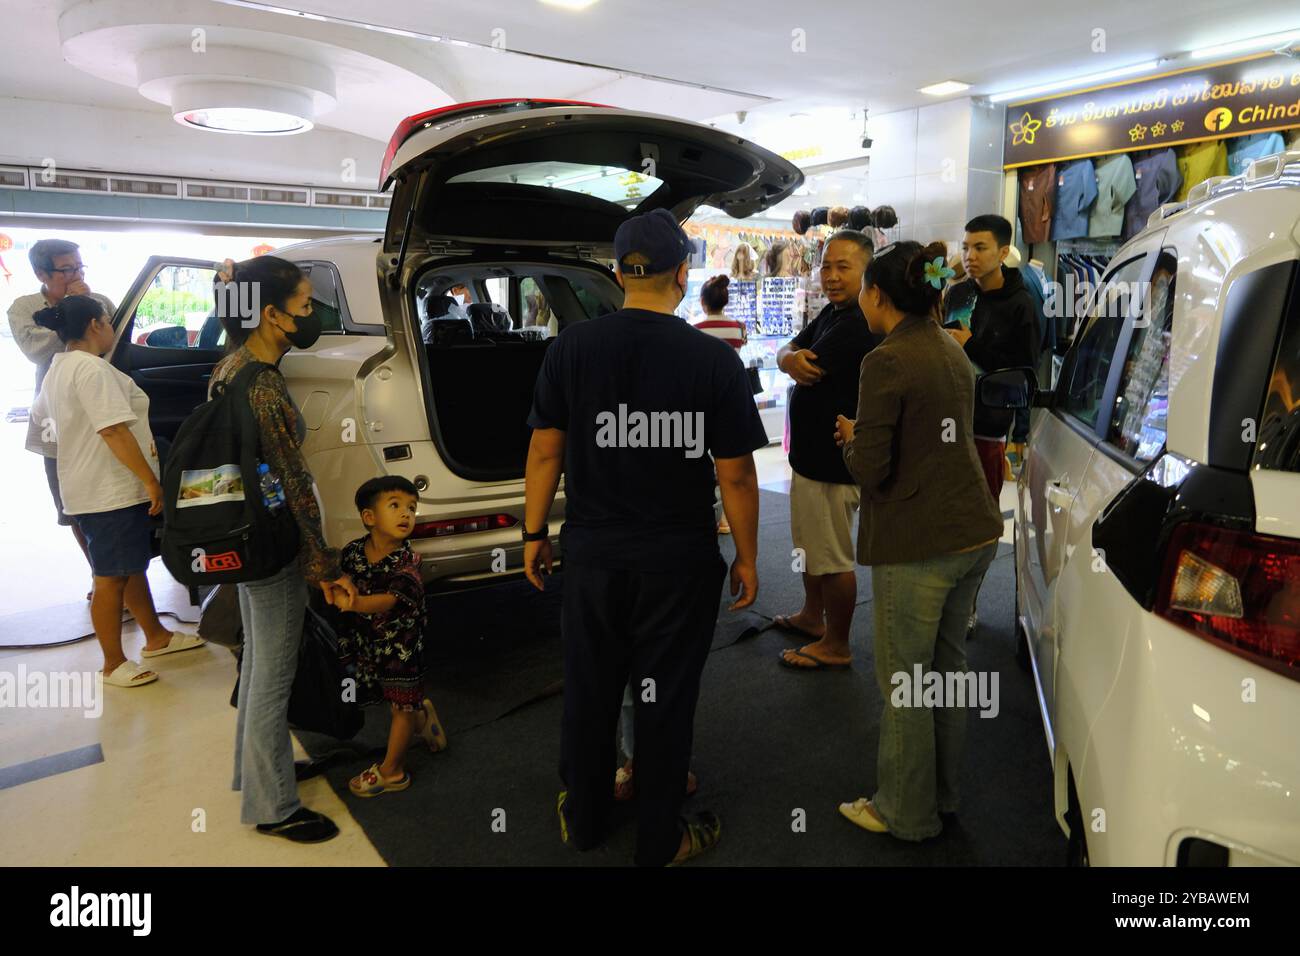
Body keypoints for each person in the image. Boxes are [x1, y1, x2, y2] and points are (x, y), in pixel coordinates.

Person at [523, 207, 766, 866]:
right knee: (664, 695)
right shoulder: (711, 360)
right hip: (677, 559)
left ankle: (587, 815)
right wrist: (746, 555)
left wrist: (531, 535)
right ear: (684, 272)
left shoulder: (571, 348)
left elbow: (545, 451)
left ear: (618, 271)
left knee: (591, 687)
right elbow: (737, 475)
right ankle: (663, 838)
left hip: (593, 554)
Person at [833, 240, 1003, 841]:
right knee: (946, 673)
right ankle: (942, 796)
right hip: (972, 531)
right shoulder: (948, 346)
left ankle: (904, 812)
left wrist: (851, 438)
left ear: (877, 295)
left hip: (919, 542)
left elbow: (872, 468)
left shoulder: (887, 359)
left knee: (906, 682)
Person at [210, 255, 357, 844]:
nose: (312, 314)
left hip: (243, 537)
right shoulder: (264, 384)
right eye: (303, 305)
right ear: (270, 314)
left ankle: (254, 774)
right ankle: (272, 807)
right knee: (273, 673)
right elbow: (292, 483)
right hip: (273, 545)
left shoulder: (230, 365)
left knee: (259, 666)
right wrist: (320, 563)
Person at [29, 296, 205, 686]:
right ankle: (112, 663)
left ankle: (156, 637)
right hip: (108, 491)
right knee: (110, 577)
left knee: (129, 567)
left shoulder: (57, 369)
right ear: (95, 325)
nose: (110, 327)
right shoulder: (91, 370)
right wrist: (149, 479)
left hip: (88, 486)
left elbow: (46, 438)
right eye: (108, 321)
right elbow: (113, 430)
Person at [772, 230, 880, 670]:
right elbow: (791, 352)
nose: (831, 276)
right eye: (827, 266)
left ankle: (836, 643)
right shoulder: (835, 313)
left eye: (843, 267)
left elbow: (806, 367)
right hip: (811, 458)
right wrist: (785, 357)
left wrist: (791, 359)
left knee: (832, 554)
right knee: (812, 546)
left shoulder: (856, 323)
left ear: (866, 271)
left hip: (833, 463)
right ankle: (812, 617)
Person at [943, 215, 1039, 636]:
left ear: (1003, 252)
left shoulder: (1022, 304)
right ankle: (943, 599)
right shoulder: (957, 293)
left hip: (987, 426)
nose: (969, 256)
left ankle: (968, 603)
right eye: (965, 247)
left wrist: (973, 345)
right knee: (945, 514)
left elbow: (1025, 374)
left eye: (980, 247)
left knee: (979, 519)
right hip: (946, 420)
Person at [9, 239, 116, 596]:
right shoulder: (23, 308)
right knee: (70, 501)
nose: (76, 275)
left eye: (79, 267)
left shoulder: (97, 300)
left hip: (101, 406)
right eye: (67, 269)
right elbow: (36, 349)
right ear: (41, 273)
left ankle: (117, 577)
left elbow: (108, 339)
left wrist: (81, 308)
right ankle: (101, 575)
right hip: (55, 415)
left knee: (110, 497)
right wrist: (73, 312)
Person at [336, 476, 446, 797]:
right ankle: (423, 718)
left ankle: (392, 772)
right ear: (369, 518)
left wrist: (355, 602)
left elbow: (389, 600)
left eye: (411, 508)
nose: (406, 514)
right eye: (395, 505)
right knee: (392, 700)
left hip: (403, 648)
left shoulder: (408, 562)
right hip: (368, 644)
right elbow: (339, 575)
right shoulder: (353, 552)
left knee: (400, 706)